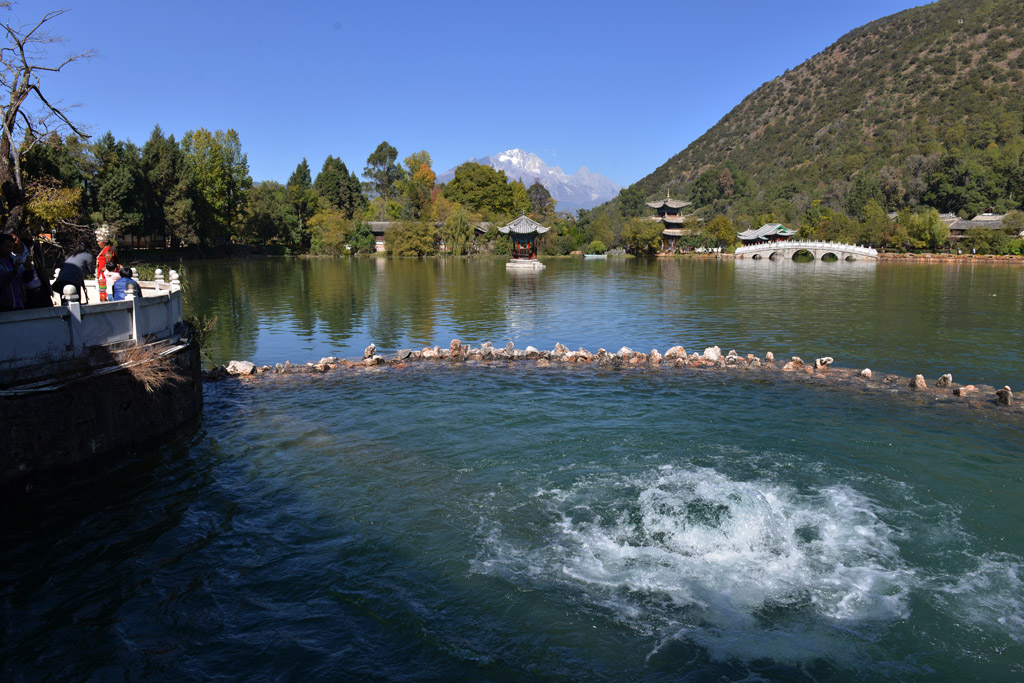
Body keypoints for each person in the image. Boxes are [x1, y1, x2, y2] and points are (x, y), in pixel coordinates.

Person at [12, 232, 53, 308]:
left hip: (41, 290)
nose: (14, 243)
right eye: (10, 241)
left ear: (18, 237)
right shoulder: (9, 256)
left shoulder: (32, 248)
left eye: (15, 239)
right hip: (25, 295)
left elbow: (41, 268)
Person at [0, 232, 26, 311]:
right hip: (4, 307)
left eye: (12, 247)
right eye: (7, 247)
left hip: (18, 304)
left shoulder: (12, 260)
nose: (9, 250)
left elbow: (22, 280)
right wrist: (13, 272)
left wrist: (28, 270)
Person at [95, 226, 116, 302]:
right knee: (102, 291)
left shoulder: (107, 249)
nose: (98, 243)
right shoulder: (105, 249)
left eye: (99, 241)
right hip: (102, 274)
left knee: (104, 292)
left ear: (103, 242)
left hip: (105, 274)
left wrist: (105, 268)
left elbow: (109, 261)